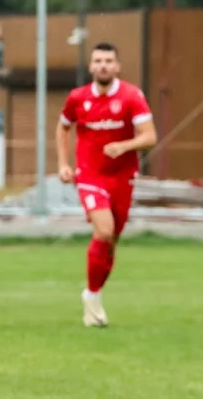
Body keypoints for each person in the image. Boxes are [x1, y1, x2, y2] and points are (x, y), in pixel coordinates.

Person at [55, 43, 157, 327]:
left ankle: (94, 293)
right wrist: (64, 164)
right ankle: (92, 296)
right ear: (91, 67)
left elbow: (150, 137)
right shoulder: (78, 98)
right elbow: (63, 127)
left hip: (122, 177)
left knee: (110, 241)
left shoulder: (131, 96)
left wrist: (124, 146)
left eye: (108, 61)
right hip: (89, 175)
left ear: (117, 66)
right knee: (104, 229)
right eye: (98, 60)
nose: (103, 65)